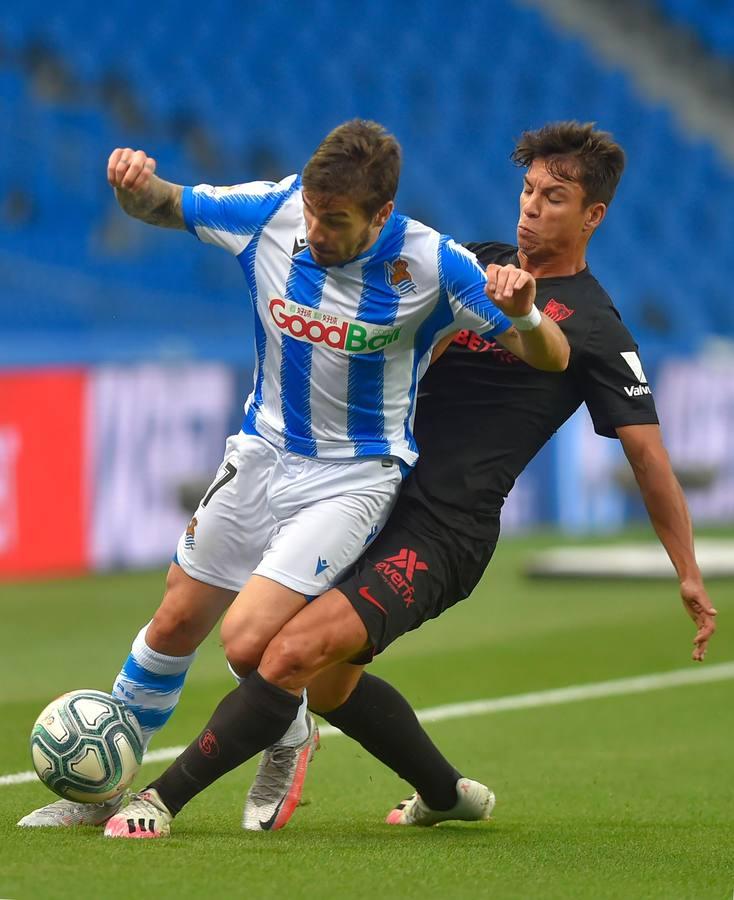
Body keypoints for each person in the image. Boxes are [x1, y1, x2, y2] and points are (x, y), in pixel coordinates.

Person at [102, 121, 717, 839]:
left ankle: (160, 800)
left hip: (444, 528)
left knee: (286, 654)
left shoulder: (599, 328)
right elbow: (393, 308)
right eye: (527, 190)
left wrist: (687, 570)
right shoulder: (473, 264)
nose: (530, 207)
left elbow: (646, 456)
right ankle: (445, 793)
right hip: (376, 490)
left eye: (553, 197)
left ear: (593, 216)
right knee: (328, 683)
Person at [18, 119, 568, 830]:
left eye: (335, 221)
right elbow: (166, 203)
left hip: (352, 479)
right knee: (176, 617)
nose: (315, 230)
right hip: (260, 454)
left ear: (381, 215)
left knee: (247, 642)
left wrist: (523, 316)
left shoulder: (434, 265)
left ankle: (286, 727)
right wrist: (132, 184)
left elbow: (551, 356)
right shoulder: (273, 211)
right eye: (312, 210)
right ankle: (98, 796)